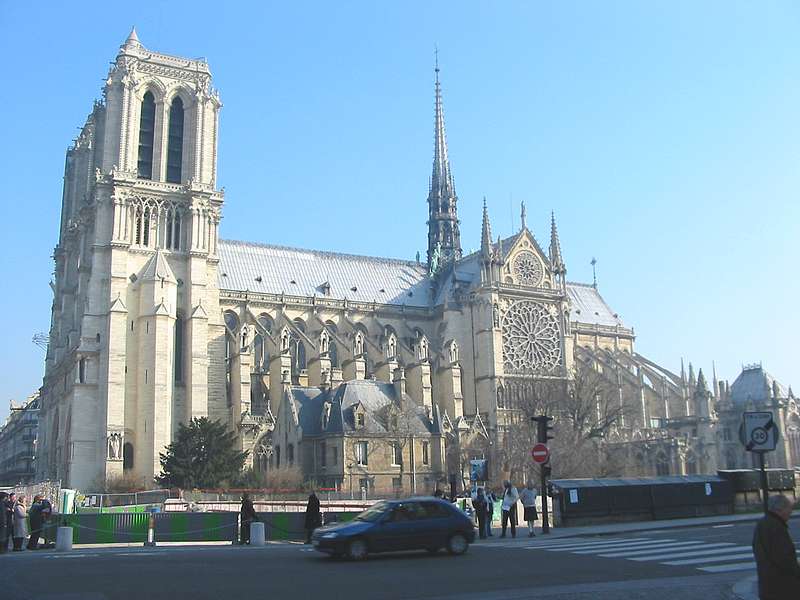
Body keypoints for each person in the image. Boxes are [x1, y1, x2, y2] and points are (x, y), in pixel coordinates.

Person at [753, 494, 800, 599]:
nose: (791, 512)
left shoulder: (762, 524)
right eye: (789, 508)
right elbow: (784, 558)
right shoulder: (776, 527)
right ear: (780, 509)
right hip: (782, 587)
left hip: (768, 584)